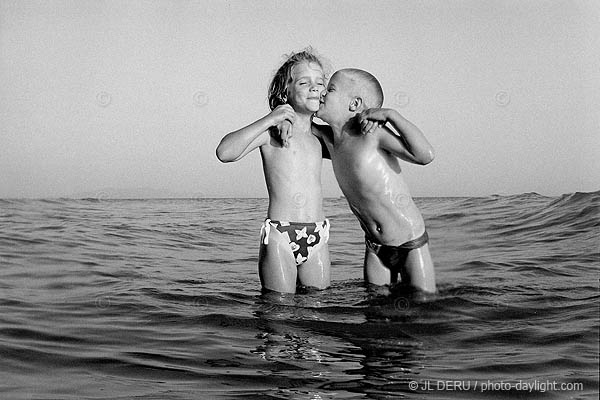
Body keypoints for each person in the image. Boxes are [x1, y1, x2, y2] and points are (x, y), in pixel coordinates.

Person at [216, 49, 332, 294]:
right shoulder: (272, 134)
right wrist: (271, 118)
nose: (314, 87)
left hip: (317, 235)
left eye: (320, 83)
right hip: (281, 234)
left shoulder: (320, 136)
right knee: (279, 310)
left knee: (317, 308)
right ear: (285, 92)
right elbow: (225, 152)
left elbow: (355, 147)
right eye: (304, 82)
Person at [315, 68, 437, 293]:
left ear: (354, 104)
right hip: (375, 247)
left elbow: (424, 156)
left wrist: (392, 116)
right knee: (375, 312)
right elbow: (297, 119)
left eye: (330, 89)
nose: (321, 93)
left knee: (422, 310)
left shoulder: (372, 134)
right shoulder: (329, 141)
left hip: (409, 242)